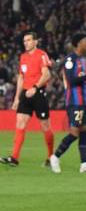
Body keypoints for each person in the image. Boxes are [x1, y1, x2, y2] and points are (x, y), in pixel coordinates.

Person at [49, 33, 86, 174]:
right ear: (79, 43)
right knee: (74, 133)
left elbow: (83, 80)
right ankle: (55, 157)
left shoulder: (85, 61)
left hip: (85, 101)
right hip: (74, 101)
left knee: (85, 130)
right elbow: (72, 80)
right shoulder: (70, 60)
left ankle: (84, 164)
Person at [0, 32, 54, 167]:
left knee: (45, 126)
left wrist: (35, 88)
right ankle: (14, 158)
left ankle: (51, 156)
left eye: (29, 40)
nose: (26, 43)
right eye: (24, 41)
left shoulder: (42, 55)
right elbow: (21, 78)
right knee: (20, 123)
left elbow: (46, 74)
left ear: (35, 42)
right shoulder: (23, 57)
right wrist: (17, 98)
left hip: (38, 93)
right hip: (25, 94)